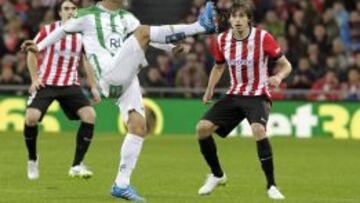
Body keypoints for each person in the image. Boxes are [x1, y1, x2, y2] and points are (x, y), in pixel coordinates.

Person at [21, 0, 218, 201]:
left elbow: (148, 37)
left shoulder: (127, 17)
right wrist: (39, 46)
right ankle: (200, 26)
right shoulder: (87, 15)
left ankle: (121, 184)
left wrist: (169, 48)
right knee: (143, 31)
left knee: (139, 126)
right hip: (109, 75)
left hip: (127, 75)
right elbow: (62, 31)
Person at [196, 1, 292, 200]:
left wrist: (278, 77)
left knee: (258, 130)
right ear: (229, 19)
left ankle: (271, 185)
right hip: (235, 94)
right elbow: (218, 66)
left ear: (248, 19)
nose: (237, 20)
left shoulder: (263, 37)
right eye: (234, 16)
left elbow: (286, 65)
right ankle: (217, 175)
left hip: (258, 95)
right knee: (202, 128)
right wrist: (209, 90)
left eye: (242, 16)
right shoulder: (222, 40)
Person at [24, 0, 101, 181]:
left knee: (90, 116)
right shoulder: (48, 30)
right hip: (46, 83)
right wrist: (35, 79)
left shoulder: (83, 35)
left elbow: (87, 61)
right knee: (31, 118)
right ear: (59, 13)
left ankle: (76, 165)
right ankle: (32, 158)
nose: (70, 11)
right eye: (66, 8)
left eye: (74, 8)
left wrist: (93, 86)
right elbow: (31, 52)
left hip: (69, 84)